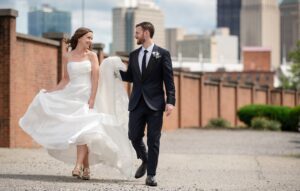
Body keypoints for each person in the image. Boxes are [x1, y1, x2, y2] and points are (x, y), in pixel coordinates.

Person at [19, 27, 134, 180]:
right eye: (88, 37)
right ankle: (85, 168)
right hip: (71, 95)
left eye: (92, 38)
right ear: (79, 38)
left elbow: (95, 79)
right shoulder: (67, 56)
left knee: (84, 131)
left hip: (86, 96)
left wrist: (92, 98)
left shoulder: (92, 56)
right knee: (81, 132)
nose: (90, 41)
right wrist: (52, 91)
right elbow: (65, 79)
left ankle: (78, 166)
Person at [119, 21, 176, 186]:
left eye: (137, 32)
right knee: (134, 136)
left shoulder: (163, 54)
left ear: (146, 33)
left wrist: (170, 101)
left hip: (155, 104)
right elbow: (130, 76)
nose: (135, 35)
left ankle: (151, 175)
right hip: (137, 102)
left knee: (153, 139)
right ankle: (145, 159)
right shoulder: (133, 55)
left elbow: (169, 80)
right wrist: (115, 70)